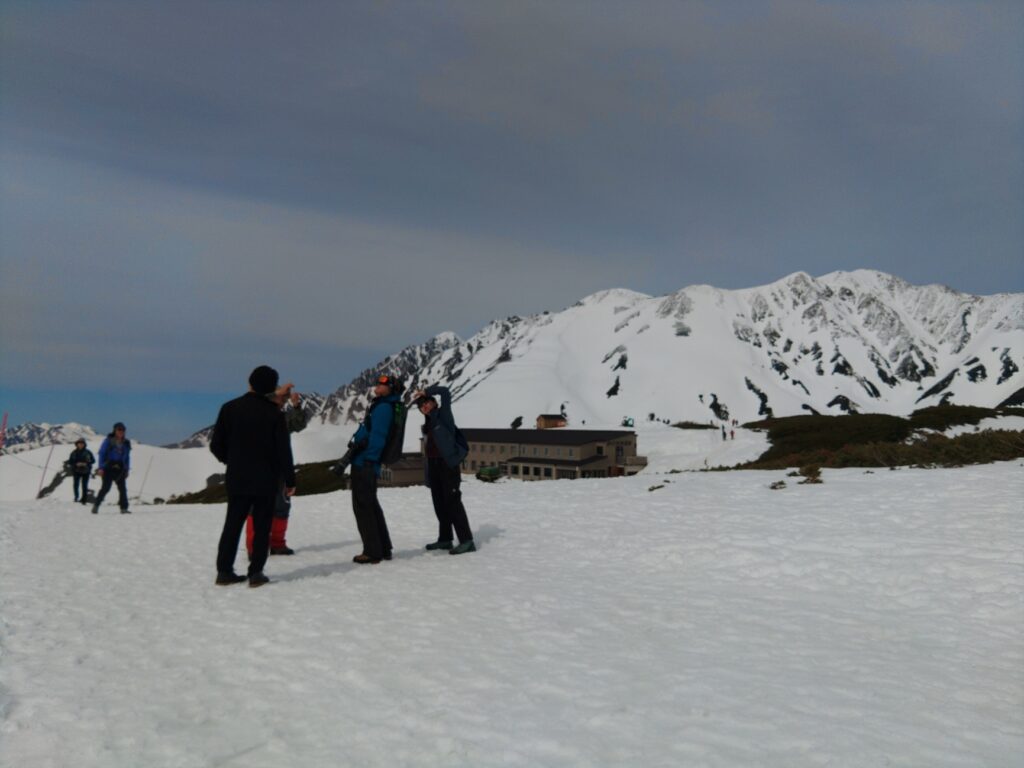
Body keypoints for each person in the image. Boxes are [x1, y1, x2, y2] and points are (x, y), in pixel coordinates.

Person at [210, 365, 296, 587]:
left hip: (237, 476)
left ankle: (224, 571)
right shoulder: (275, 414)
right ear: (272, 388)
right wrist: (290, 480)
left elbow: (216, 445)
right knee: (262, 525)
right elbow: (283, 451)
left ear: (250, 383)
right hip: (266, 478)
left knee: (232, 524)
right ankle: (256, 572)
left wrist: (231, 460)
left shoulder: (229, 408)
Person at [245, 382, 306, 558]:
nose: (283, 400)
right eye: (281, 397)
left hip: (280, 470)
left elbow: (299, 424)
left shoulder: (282, 418)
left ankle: (277, 544)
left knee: (281, 506)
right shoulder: (256, 414)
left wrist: (296, 406)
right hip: (260, 469)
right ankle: (255, 548)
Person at [346, 373, 401, 564]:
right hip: (366, 461)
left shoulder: (384, 408)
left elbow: (378, 436)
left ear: (391, 389)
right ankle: (383, 548)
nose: (378, 384)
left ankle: (372, 551)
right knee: (371, 505)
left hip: (365, 463)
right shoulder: (383, 405)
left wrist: (370, 460)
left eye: (383, 383)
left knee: (364, 507)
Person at [413, 385, 475, 554]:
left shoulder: (444, 415)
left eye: (426, 403)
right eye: (421, 407)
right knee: (439, 503)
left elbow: (445, 392)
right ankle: (445, 539)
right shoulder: (428, 423)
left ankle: (467, 541)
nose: (424, 407)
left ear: (434, 402)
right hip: (433, 465)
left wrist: (426, 391)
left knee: (453, 502)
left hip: (447, 465)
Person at [92, 423, 131, 514]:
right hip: (108, 467)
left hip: (120, 468)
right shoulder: (108, 441)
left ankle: (124, 508)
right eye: (119, 429)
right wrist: (101, 468)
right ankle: (96, 505)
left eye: (123, 429)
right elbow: (102, 454)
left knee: (122, 489)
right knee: (106, 488)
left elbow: (127, 457)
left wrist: (127, 469)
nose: (121, 431)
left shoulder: (126, 443)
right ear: (115, 430)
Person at [67, 438, 95, 504]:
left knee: (84, 485)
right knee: (76, 485)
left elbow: (93, 460)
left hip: (86, 471)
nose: (81, 445)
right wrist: (76, 464)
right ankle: (76, 497)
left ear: (84, 444)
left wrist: (86, 463)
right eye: (79, 443)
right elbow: (70, 461)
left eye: (82, 443)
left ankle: (84, 499)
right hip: (76, 471)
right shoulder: (73, 452)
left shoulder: (88, 452)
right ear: (77, 444)